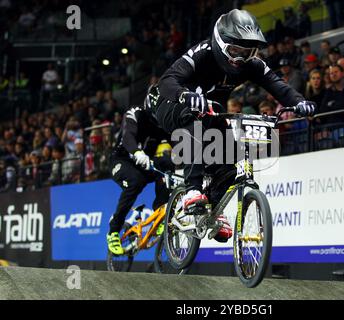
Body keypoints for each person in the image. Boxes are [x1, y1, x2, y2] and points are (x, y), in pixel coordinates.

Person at [150, 9, 315, 243]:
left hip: (210, 112)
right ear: (220, 42)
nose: (241, 58)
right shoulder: (203, 53)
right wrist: (185, 96)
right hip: (171, 105)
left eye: (248, 52)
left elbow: (278, 86)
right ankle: (192, 190)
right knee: (193, 116)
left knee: (231, 161)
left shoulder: (252, 65)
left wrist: (299, 103)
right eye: (236, 50)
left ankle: (213, 211)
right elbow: (167, 81)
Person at [106, 103, 174, 255]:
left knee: (167, 165)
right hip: (120, 160)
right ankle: (113, 231)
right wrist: (137, 152)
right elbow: (128, 136)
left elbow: (178, 143)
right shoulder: (136, 113)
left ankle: (161, 214)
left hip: (144, 163)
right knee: (135, 181)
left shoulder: (164, 124)